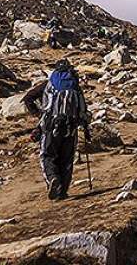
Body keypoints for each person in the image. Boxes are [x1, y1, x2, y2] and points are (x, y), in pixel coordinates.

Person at [24, 58, 91, 200]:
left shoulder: (48, 85)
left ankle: (52, 178)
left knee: (47, 156)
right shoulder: (75, 87)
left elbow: (28, 98)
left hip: (51, 125)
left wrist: (38, 114)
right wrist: (85, 126)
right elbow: (83, 110)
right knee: (66, 160)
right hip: (70, 127)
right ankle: (63, 191)